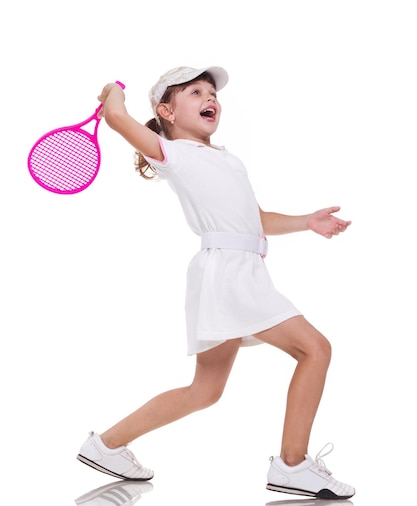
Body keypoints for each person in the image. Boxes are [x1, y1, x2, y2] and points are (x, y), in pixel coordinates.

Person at [77, 66, 355, 500]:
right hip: (227, 273)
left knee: (205, 391)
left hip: (237, 271)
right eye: (195, 92)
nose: (211, 98)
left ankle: (107, 444)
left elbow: (256, 219)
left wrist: (306, 222)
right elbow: (115, 116)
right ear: (166, 111)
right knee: (315, 349)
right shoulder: (172, 153)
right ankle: (293, 463)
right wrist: (113, 90)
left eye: (212, 93)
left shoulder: (226, 159)